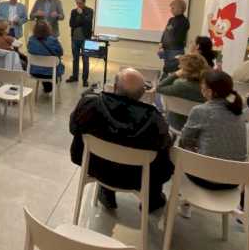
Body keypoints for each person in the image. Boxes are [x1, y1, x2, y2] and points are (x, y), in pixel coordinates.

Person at [69, 68, 173, 212]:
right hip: (136, 178)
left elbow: (73, 129)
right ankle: (152, 200)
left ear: (115, 87)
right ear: (143, 93)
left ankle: (106, 190)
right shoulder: (155, 122)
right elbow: (164, 166)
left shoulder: (89, 105)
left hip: (94, 165)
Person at [179, 70, 247, 190]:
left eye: (202, 86)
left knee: (178, 150)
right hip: (235, 180)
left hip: (205, 178)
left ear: (209, 92)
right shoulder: (238, 111)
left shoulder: (201, 110)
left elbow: (184, 141)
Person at [157, 53, 209, 131]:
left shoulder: (179, 86)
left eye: (181, 66)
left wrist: (175, 75)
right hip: (198, 127)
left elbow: (159, 88)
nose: (178, 67)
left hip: (175, 124)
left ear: (186, 70)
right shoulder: (208, 90)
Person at [27, 20, 64, 93]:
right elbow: (61, 52)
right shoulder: (53, 40)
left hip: (35, 72)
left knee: (43, 65)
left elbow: (30, 50)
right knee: (55, 63)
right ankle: (52, 83)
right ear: (48, 29)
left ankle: (47, 87)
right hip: (51, 73)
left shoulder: (31, 40)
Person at [66, 0, 94, 87]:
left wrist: (81, 15)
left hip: (86, 39)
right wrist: (81, 22)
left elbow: (88, 22)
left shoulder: (89, 11)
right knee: (75, 59)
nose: (78, 5)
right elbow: (71, 24)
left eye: (80, 3)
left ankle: (85, 79)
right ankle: (74, 76)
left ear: (84, 2)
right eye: (77, 3)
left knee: (85, 60)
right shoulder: (73, 11)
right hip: (74, 38)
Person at [158, 0, 190, 73]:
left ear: (180, 9)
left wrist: (166, 44)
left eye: (173, 8)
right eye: (171, 8)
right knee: (166, 69)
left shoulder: (184, 21)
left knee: (173, 70)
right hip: (167, 50)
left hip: (175, 51)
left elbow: (176, 37)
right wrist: (161, 43)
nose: (171, 10)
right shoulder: (171, 20)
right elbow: (166, 32)